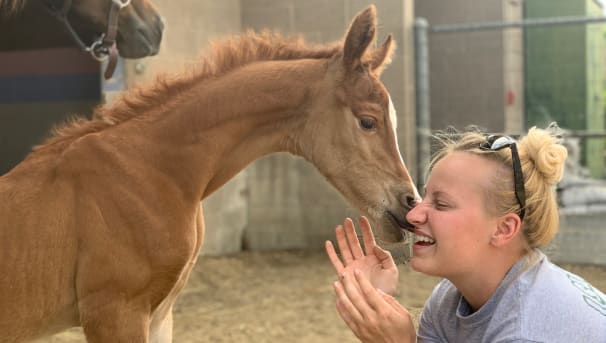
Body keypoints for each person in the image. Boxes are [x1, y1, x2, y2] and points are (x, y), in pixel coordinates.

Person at [325, 124, 606, 342]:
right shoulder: (452, 298)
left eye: (442, 204)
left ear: (504, 229)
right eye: (424, 198)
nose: (413, 215)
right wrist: (381, 305)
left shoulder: (526, 331)